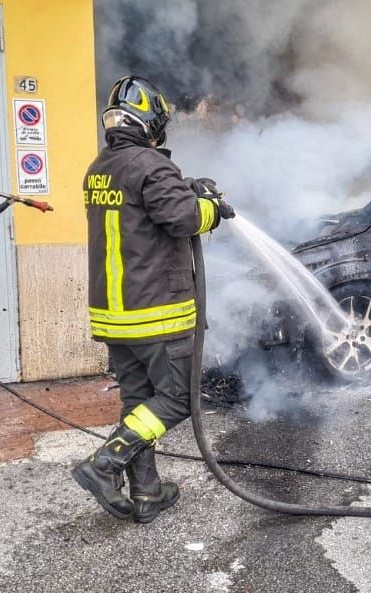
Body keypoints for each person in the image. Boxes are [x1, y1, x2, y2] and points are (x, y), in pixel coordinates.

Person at [71, 76, 235, 522]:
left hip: (115, 316)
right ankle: (104, 464)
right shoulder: (150, 165)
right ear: (150, 122)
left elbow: (148, 210)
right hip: (157, 313)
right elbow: (183, 218)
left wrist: (186, 186)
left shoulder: (100, 167)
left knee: (138, 400)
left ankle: (146, 491)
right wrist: (212, 209)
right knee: (178, 399)